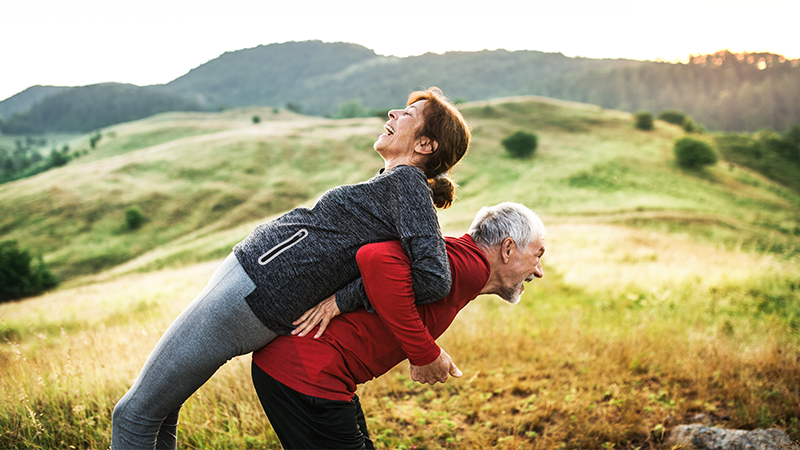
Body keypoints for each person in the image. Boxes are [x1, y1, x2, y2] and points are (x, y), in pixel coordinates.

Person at [111, 87, 471, 450]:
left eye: (408, 114)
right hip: (250, 286)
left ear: (425, 145)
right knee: (160, 411)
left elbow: (432, 277)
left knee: (132, 415)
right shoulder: (397, 183)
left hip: (254, 295)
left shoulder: (407, 184)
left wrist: (343, 299)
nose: (393, 113)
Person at [251, 202, 547, 450]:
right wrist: (425, 354)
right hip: (305, 374)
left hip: (317, 375)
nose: (539, 271)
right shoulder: (466, 264)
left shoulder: (465, 263)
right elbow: (376, 257)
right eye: (538, 255)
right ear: (507, 249)